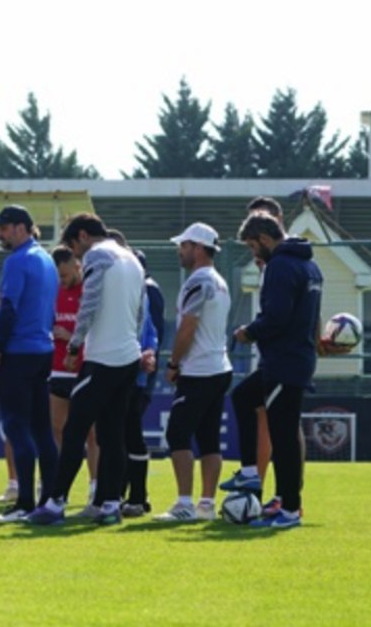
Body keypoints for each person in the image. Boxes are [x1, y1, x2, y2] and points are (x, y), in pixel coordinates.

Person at [31, 213, 144, 527]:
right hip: (128, 356)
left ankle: (56, 502)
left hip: (102, 357)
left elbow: (89, 302)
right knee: (112, 434)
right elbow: (141, 309)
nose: (76, 256)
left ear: (82, 236)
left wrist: (73, 346)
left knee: (74, 431)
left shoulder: (98, 255)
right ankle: (109, 504)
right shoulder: (131, 258)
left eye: (72, 246)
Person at [220, 211, 323, 529]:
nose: (254, 254)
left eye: (253, 246)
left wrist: (248, 331)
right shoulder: (310, 265)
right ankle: (250, 473)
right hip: (293, 358)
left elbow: (277, 317)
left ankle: (290, 509)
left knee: (283, 437)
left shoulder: (280, 265)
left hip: (285, 361)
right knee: (243, 396)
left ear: (265, 239)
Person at [0, 206, 58, 525]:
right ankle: (50, 500)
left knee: (16, 426)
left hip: (18, 352)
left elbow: (8, 309)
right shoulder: (47, 259)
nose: (0, 234)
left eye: (4, 228)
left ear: (22, 228)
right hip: (43, 350)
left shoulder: (17, 261)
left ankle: (25, 502)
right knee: (42, 429)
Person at [155, 223, 233, 521]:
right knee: (209, 438)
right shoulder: (219, 281)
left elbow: (188, 326)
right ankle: (206, 505)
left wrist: (173, 364)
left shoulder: (198, 281)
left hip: (199, 370)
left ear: (198, 248)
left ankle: (185, 504)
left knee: (178, 434)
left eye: (184, 245)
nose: (180, 251)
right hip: (218, 367)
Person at [46, 245, 100, 511]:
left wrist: (70, 338)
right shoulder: (53, 292)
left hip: (84, 368)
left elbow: (94, 327)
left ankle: (95, 488)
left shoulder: (90, 291)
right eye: (59, 276)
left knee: (91, 432)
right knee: (58, 429)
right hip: (58, 369)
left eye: (65, 275)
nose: (62, 280)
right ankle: (58, 489)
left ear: (78, 267)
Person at [120, 249, 162, 517]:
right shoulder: (142, 290)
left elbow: (153, 331)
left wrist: (149, 361)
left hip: (139, 374)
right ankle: (129, 494)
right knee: (123, 434)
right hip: (135, 371)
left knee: (130, 432)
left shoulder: (148, 291)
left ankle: (137, 495)